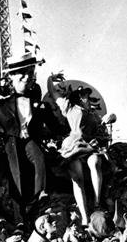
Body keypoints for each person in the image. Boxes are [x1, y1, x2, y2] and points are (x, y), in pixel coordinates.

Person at [47, 73, 116, 225]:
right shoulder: (69, 107)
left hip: (89, 146)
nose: (87, 98)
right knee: (77, 179)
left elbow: (105, 127)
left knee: (95, 161)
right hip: (73, 146)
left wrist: (108, 119)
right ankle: (85, 217)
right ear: (78, 97)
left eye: (87, 96)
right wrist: (51, 79)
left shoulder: (94, 115)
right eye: (84, 96)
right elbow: (52, 92)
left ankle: (97, 204)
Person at [0, 52, 51, 211]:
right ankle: (19, 214)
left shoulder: (38, 104)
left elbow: (56, 126)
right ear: (11, 76)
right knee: (16, 174)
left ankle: (40, 196)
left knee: (39, 158)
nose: (27, 77)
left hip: (29, 141)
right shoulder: (1, 105)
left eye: (30, 73)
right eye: (23, 73)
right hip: (12, 143)